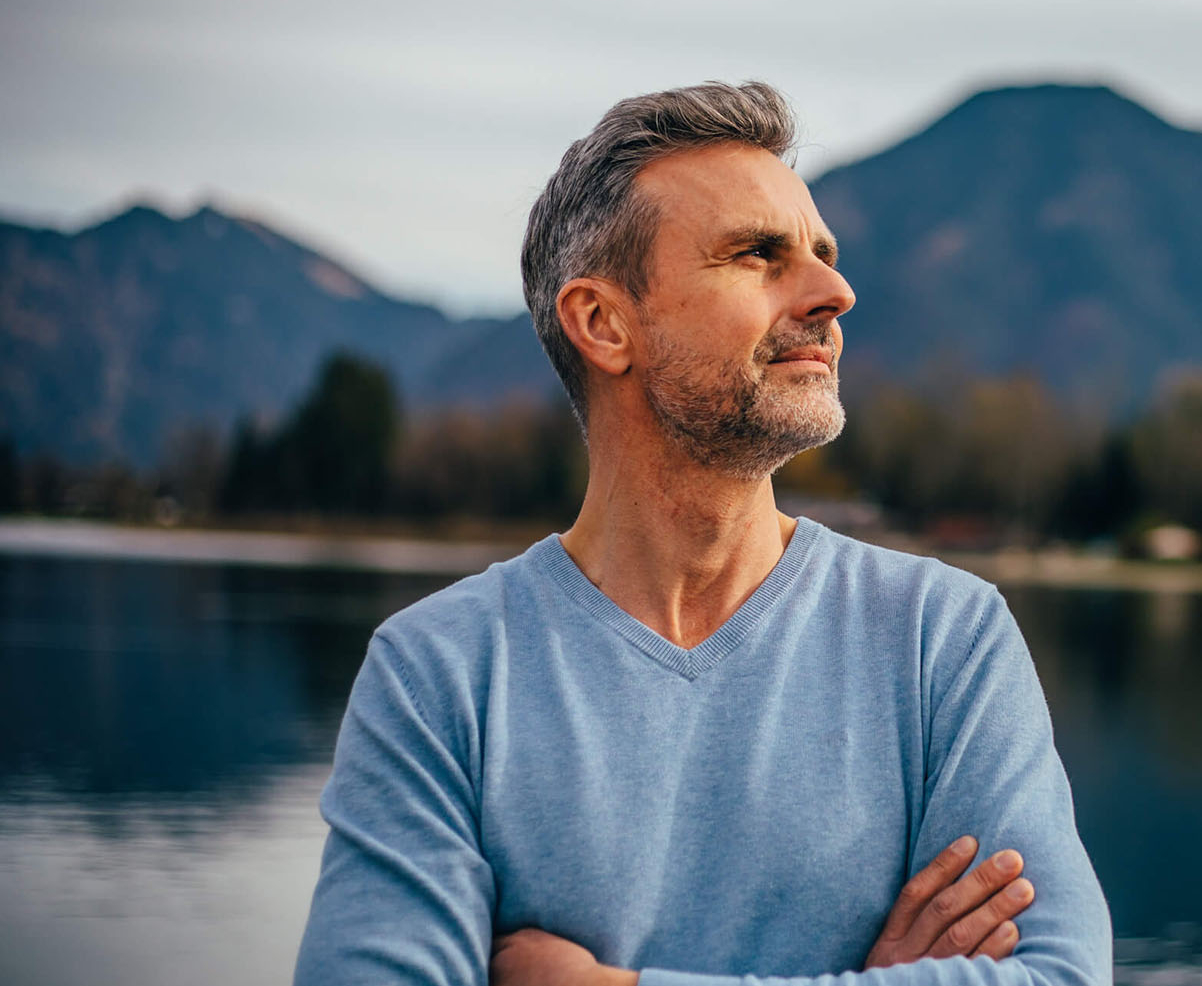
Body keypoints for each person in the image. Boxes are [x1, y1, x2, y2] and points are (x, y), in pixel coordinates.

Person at [293, 82, 1112, 986]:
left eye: (823, 254)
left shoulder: (942, 637)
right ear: (604, 323)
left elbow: (1058, 978)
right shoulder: (439, 673)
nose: (835, 291)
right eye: (760, 254)